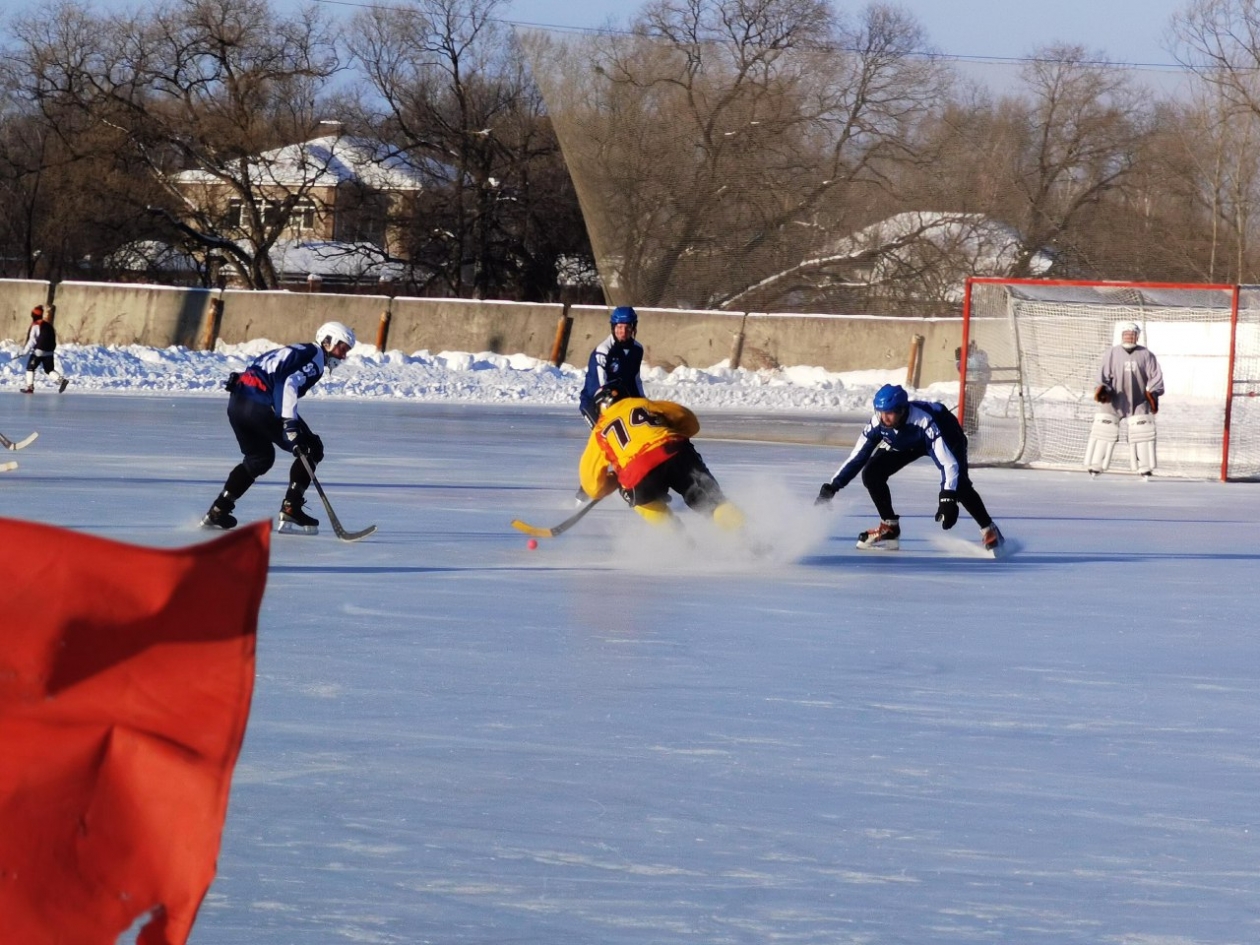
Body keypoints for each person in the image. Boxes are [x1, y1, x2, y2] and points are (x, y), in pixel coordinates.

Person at [202, 322, 355, 534]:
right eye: (342, 348)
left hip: (238, 403)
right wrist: (290, 423)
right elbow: (288, 382)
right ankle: (291, 508)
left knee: (259, 459)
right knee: (311, 448)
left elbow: (261, 369)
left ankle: (219, 510)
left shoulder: (295, 349)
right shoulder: (315, 357)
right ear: (328, 341)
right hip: (262, 406)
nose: (343, 356)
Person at [815, 383, 1004, 553]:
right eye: (880, 411)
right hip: (905, 442)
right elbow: (857, 456)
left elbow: (949, 464)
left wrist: (947, 498)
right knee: (872, 473)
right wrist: (832, 487)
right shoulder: (877, 423)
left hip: (946, 435)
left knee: (959, 485)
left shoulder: (924, 422)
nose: (884, 417)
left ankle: (989, 529)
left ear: (902, 410)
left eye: (889, 412)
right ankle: (889, 527)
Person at [578, 381, 744, 532]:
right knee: (713, 503)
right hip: (674, 451)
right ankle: (750, 538)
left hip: (637, 471)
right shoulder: (642, 404)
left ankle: (677, 539)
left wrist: (613, 480)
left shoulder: (599, 432)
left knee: (639, 496)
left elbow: (592, 486)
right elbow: (689, 421)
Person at [1084, 321, 1164, 479]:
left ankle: (1144, 466)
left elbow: (1156, 377)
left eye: (1132, 334)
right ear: (1121, 336)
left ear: (1137, 336)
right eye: (1126, 333)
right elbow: (1102, 376)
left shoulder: (1146, 354)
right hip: (1114, 398)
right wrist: (1103, 390)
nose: (1129, 336)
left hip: (1139, 399)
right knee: (1104, 429)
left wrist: (1154, 394)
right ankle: (1097, 464)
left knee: (1142, 431)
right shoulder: (1112, 353)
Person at [579, 306, 646, 427]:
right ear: (613, 327)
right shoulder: (604, 350)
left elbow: (635, 380)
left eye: (627, 327)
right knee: (607, 435)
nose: (623, 332)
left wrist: (644, 403)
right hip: (596, 402)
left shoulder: (637, 349)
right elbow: (601, 388)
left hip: (622, 400)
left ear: (633, 328)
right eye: (619, 327)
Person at [20, 305, 69, 394]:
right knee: (49, 370)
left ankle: (29, 388)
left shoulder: (36, 325)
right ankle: (62, 381)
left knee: (30, 368)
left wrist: (24, 352)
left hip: (39, 351)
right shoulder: (48, 325)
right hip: (50, 352)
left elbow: (32, 340)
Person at [954, 339, 990, 437]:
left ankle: (969, 427)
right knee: (970, 406)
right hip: (977, 385)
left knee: (969, 406)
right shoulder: (979, 357)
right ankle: (970, 427)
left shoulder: (974, 359)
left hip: (976, 385)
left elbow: (963, 369)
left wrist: (958, 361)